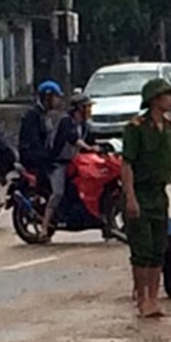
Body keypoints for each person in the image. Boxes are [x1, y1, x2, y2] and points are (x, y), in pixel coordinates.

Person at [122, 78, 171, 319]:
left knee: (158, 249)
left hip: (159, 195)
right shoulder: (136, 128)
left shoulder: (170, 128)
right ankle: (142, 299)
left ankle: (154, 299)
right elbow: (127, 165)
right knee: (141, 250)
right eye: (167, 96)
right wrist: (130, 197)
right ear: (155, 100)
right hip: (141, 193)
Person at [41, 93, 99, 240]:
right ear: (78, 108)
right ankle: (44, 227)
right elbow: (73, 138)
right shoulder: (66, 122)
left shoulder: (84, 125)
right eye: (87, 107)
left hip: (75, 163)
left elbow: (92, 141)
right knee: (58, 194)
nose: (89, 110)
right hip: (58, 163)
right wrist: (88, 146)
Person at [18, 80, 64, 174]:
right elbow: (33, 143)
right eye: (56, 97)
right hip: (34, 163)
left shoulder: (45, 115)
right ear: (47, 97)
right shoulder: (32, 116)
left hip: (43, 160)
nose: (58, 101)